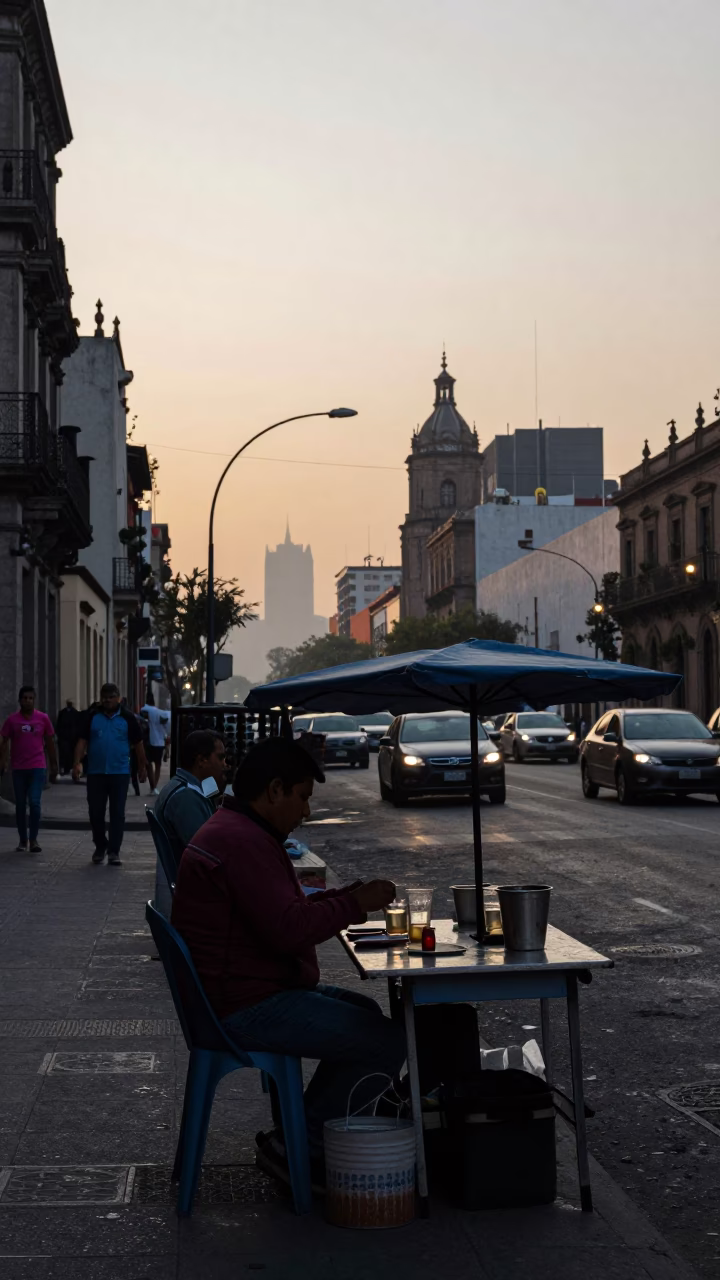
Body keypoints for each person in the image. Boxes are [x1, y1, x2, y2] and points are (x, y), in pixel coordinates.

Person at [171, 736, 404, 1186]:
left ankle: (299, 1133)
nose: (306, 812)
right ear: (274, 790)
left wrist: (346, 896)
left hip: (242, 988)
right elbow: (289, 931)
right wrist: (355, 906)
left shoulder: (241, 830)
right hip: (244, 1004)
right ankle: (303, 1147)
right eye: (302, 798)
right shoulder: (243, 843)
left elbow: (287, 910)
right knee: (387, 1041)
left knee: (367, 1013)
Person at [73, 683, 147, 866]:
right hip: (96, 773)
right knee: (95, 812)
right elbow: (82, 741)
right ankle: (100, 846)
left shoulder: (128, 718)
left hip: (120, 774)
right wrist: (77, 763)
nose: (107, 700)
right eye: (104, 697)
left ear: (118, 698)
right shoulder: (92, 716)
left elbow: (138, 744)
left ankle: (114, 851)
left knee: (117, 813)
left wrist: (143, 767)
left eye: (111, 697)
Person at [154, 730, 227, 867]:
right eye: (220, 758)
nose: (224, 764)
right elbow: (207, 851)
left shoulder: (185, 786)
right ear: (201, 761)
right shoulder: (185, 797)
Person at [0, 685, 58, 852]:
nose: (27, 701)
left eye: (30, 698)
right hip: (18, 768)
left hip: (37, 767)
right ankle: (22, 839)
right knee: (20, 804)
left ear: (34, 700)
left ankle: (33, 839)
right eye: (24, 698)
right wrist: (2, 762)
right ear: (20, 700)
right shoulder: (12, 720)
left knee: (34, 802)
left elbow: (50, 742)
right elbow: (3, 742)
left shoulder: (43, 719)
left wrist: (54, 764)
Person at [141, 692, 170, 796]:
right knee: (158, 765)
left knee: (149, 764)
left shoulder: (144, 710)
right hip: (159, 742)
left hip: (148, 741)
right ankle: (154, 787)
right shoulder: (160, 713)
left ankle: (152, 785)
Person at [56, 699, 80, 775]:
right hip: (64, 736)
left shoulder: (75, 713)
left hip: (72, 737)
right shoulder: (62, 712)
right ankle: (65, 768)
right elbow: (58, 724)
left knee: (70, 753)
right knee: (64, 753)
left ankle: (69, 767)